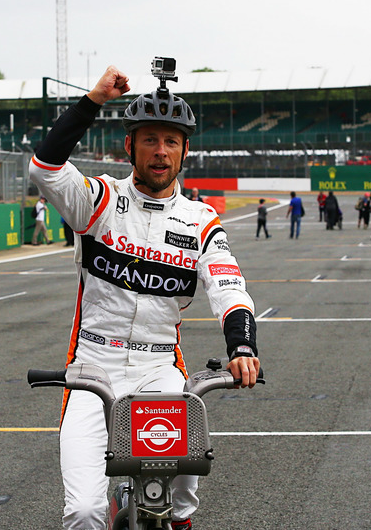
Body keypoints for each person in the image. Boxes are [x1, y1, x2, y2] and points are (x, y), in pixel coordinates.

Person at [28, 64, 260, 530]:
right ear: (129, 146)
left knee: (179, 494)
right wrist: (93, 100)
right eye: (149, 139)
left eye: (171, 141)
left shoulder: (200, 220)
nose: (160, 152)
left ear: (185, 151)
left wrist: (242, 346)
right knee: (85, 511)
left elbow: (227, 284)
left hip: (159, 369)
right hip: (93, 368)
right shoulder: (97, 200)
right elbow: (46, 167)